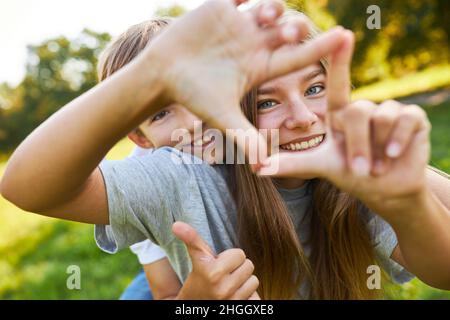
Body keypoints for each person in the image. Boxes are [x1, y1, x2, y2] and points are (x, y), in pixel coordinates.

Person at [2, 1, 449, 300]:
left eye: (315, 88)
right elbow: (27, 186)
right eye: (268, 102)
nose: (302, 117)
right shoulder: (182, 176)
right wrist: (155, 73)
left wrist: (409, 198)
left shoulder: (356, 175)